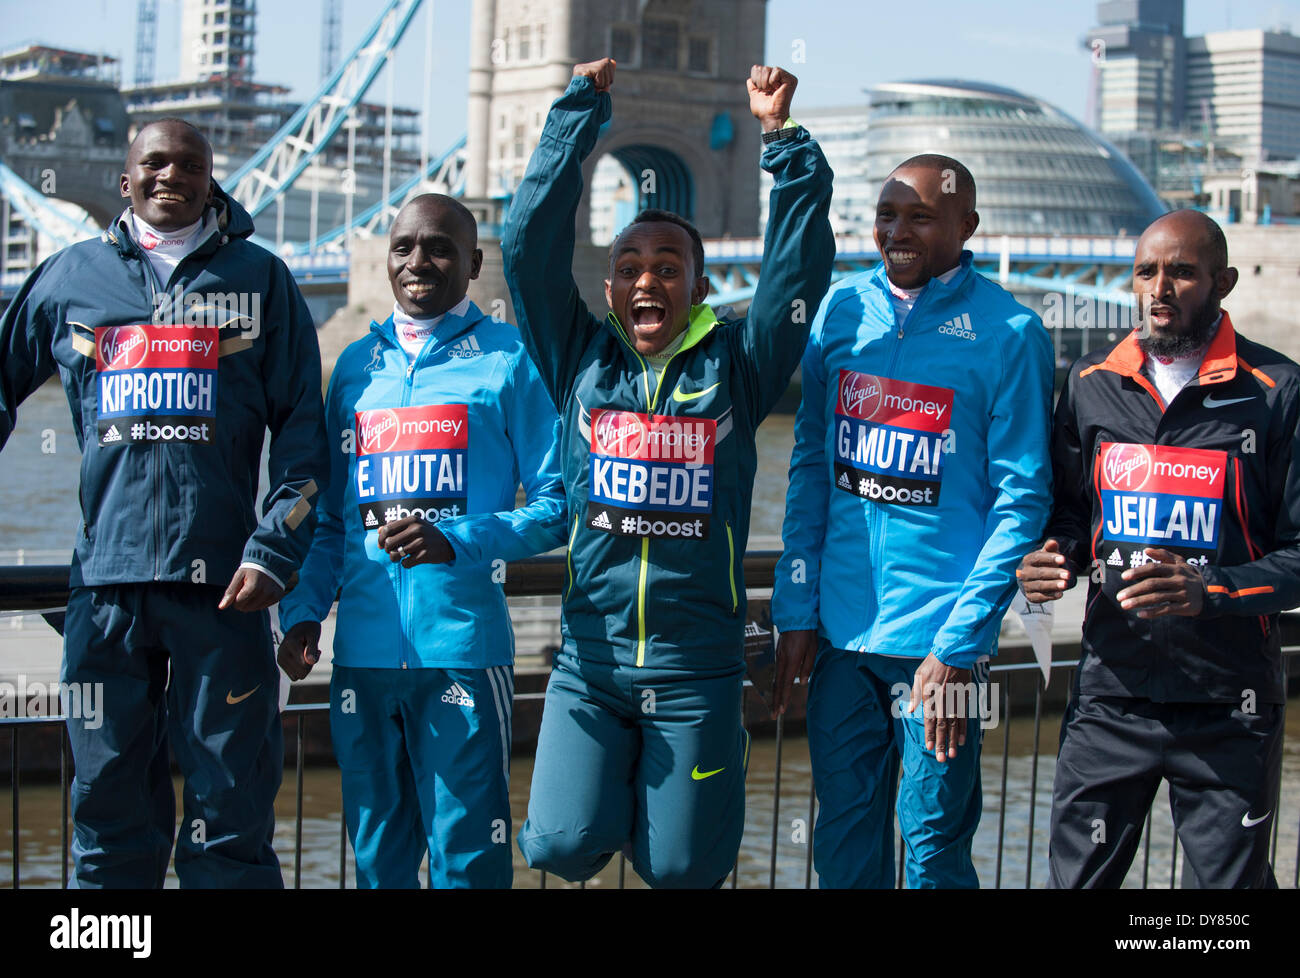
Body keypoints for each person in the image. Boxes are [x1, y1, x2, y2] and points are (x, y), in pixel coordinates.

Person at [501, 58, 833, 888]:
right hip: (592, 664)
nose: (648, 276)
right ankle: (615, 794)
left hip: (699, 670)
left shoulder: (738, 367)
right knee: (557, 846)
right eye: (631, 264)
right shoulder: (576, 359)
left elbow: (796, 272)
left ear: (699, 287)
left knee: (682, 866)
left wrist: (781, 137)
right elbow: (526, 244)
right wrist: (580, 110)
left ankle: (684, 813)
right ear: (610, 288)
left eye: (668, 265)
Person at [0, 118, 326, 887]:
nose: (169, 176)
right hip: (104, 593)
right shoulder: (68, 277)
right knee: (106, 812)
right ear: (126, 180)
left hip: (228, 595)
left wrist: (276, 549)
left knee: (232, 816)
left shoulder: (261, 279)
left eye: (189, 164)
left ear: (211, 181)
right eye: (153, 163)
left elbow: (308, 441)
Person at [771, 154, 1054, 888]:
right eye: (887, 214)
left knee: (932, 847)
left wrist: (959, 645)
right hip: (841, 637)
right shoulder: (839, 311)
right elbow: (809, 468)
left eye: (921, 216)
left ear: (967, 226)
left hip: (941, 648)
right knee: (844, 839)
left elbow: (1022, 502)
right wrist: (796, 608)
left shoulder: (1012, 332)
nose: (898, 231)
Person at [276, 194, 566, 888]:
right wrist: (302, 611)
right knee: (378, 859)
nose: (418, 261)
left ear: (474, 262)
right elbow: (332, 519)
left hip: (463, 656)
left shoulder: (513, 358)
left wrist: (458, 539)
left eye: (438, 247)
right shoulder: (352, 368)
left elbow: (561, 507)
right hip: (362, 660)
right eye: (404, 246)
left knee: (468, 856)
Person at [1019, 210, 1298, 889]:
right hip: (1110, 698)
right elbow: (1073, 514)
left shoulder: (1277, 392)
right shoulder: (1091, 383)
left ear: (1223, 282)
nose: (1160, 288)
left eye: (1182, 272)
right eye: (1146, 272)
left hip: (1229, 704)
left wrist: (1213, 590)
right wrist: (1052, 556)